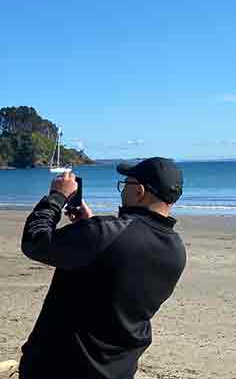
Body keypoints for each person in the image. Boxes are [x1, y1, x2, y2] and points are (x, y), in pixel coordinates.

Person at [18, 157, 186, 379]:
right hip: (117, 368)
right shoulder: (176, 249)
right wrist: (91, 226)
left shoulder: (106, 233)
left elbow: (35, 242)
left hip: (60, 365)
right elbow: (118, 267)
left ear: (140, 191)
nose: (123, 190)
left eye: (126, 184)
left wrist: (57, 197)